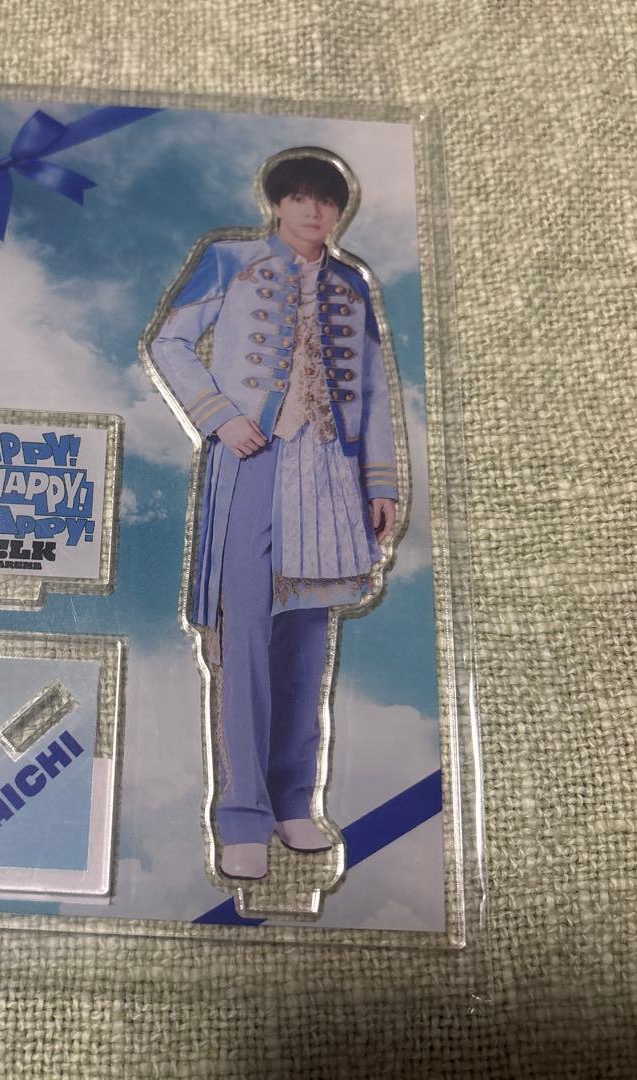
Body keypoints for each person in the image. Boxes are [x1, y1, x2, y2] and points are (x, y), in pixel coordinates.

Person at [147, 151, 401, 879]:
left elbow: (374, 392)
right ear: (277, 203)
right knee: (246, 639)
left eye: (326, 201)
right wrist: (221, 416)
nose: (313, 211)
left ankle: (295, 801)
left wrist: (378, 480)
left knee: (307, 644)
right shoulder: (230, 262)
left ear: (340, 212)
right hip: (252, 463)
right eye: (299, 198)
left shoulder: (352, 288)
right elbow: (169, 341)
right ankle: (242, 815)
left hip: (329, 475)